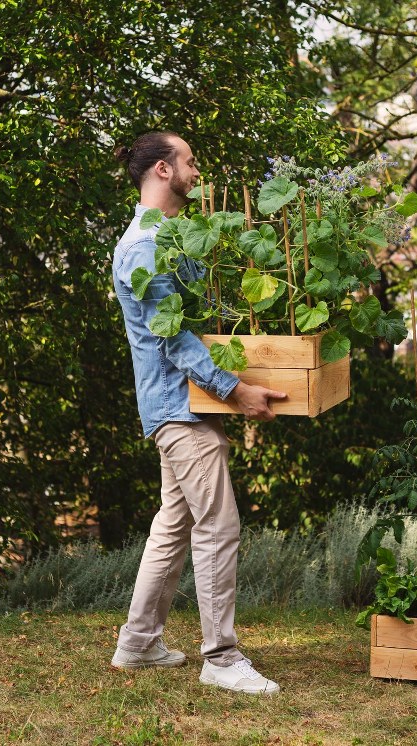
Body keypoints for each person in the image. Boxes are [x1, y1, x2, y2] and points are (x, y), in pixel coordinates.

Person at [109, 131, 286, 695]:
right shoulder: (146, 247)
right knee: (218, 525)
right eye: (188, 161)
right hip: (178, 407)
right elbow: (174, 341)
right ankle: (222, 657)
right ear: (163, 170)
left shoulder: (168, 238)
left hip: (182, 403)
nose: (196, 169)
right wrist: (236, 390)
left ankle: (138, 644)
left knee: (175, 523)